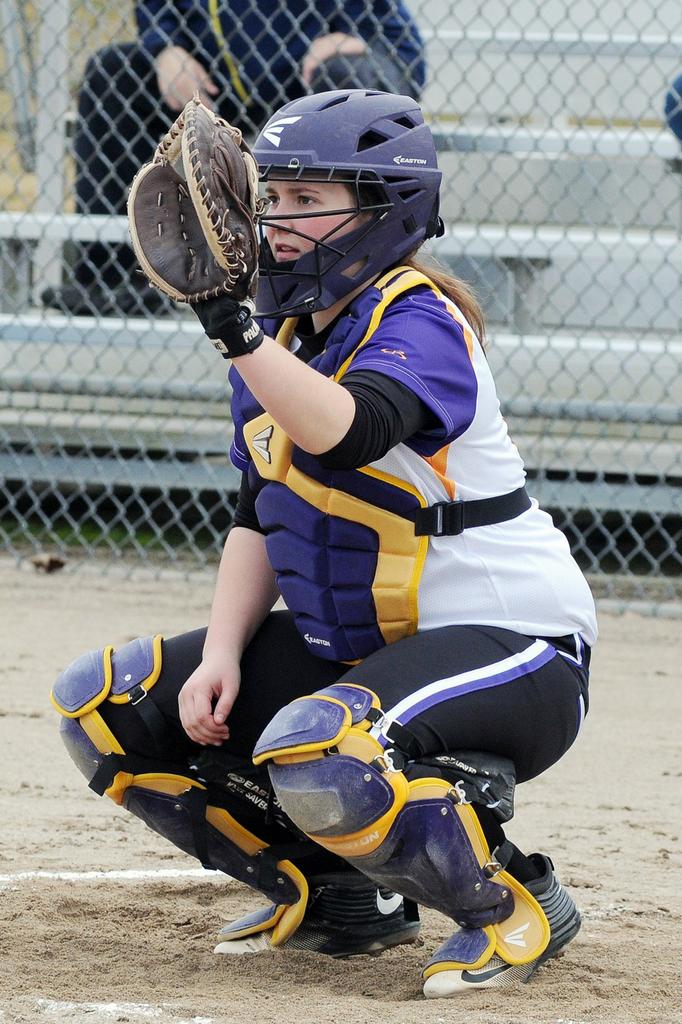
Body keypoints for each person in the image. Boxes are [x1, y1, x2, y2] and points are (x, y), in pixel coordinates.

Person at [51, 89, 597, 997]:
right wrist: (221, 654)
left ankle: (510, 903)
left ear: (386, 211)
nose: (278, 220)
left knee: (325, 744)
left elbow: (346, 430)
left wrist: (233, 329)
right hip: (369, 650)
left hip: (519, 651)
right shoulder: (280, 336)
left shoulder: (420, 317)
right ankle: (342, 897)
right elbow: (260, 508)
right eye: (274, 197)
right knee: (111, 703)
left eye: (310, 200)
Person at [41, 0, 425, 317]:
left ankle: (338, 278)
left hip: (306, 88)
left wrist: (352, 39)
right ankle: (111, 280)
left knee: (343, 75)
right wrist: (165, 49)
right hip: (214, 81)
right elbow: (157, 11)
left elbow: (403, 54)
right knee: (112, 70)